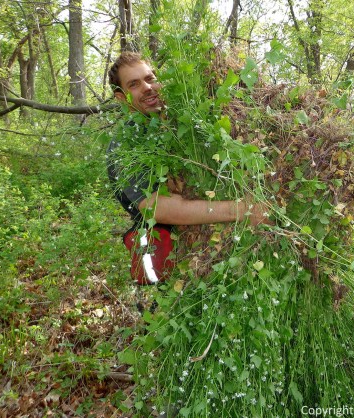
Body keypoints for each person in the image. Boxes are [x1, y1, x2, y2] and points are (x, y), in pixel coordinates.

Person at [106, 52, 268, 283]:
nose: (147, 88)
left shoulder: (186, 120)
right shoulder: (125, 145)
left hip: (237, 254)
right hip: (180, 263)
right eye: (134, 84)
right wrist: (242, 210)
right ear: (122, 98)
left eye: (150, 79)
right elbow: (156, 208)